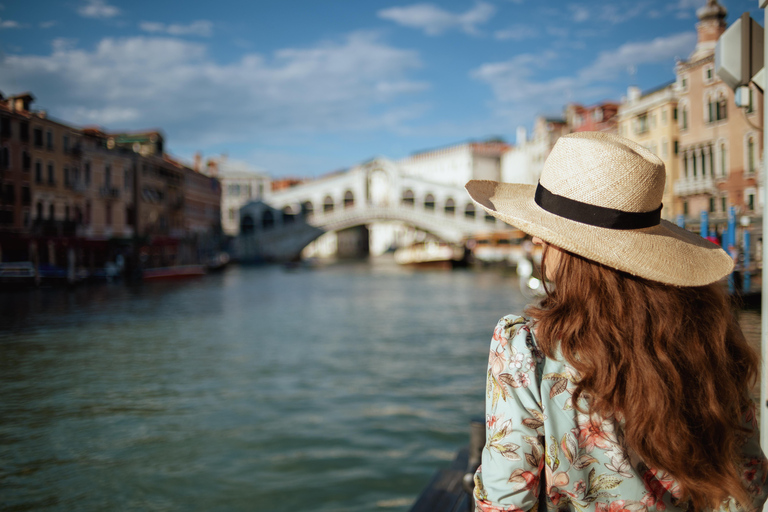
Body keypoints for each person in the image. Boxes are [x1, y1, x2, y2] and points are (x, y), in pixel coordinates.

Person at [464, 132, 768, 512]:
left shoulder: (525, 346)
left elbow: (505, 501)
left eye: (542, 235)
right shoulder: (711, 334)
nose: (536, 243)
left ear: (566, 246)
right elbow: (748, 486)